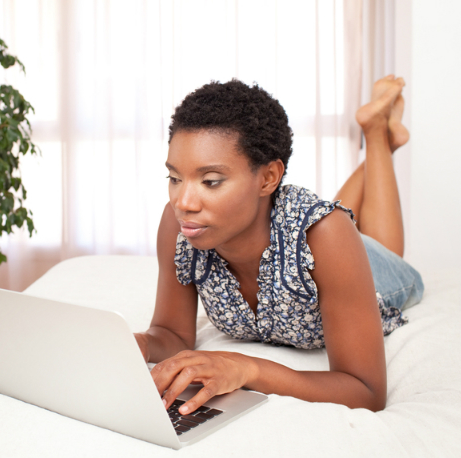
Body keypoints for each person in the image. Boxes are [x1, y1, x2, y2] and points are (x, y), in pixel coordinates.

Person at [133, 76, 424, 414]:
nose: (183, 202)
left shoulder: (327, 236)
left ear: (269, 178)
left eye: (210, 182)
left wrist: (248, 369)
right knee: (334, 222)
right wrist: (140, 344)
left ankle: (376, 135)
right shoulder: (181, 226)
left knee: (377, 243)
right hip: (321, 234)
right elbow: (171, 333)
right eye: (175, 178)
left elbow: (366, 392)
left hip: (366, 267)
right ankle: (383, 142)